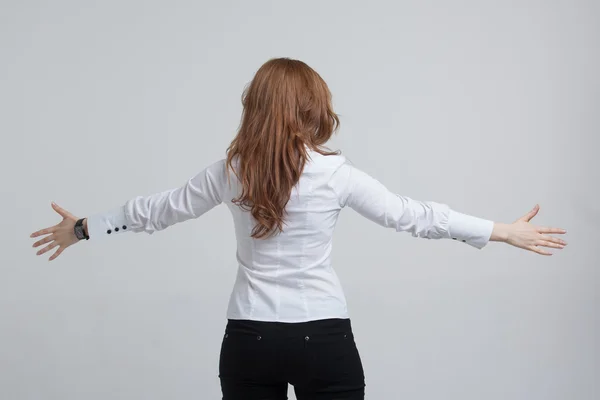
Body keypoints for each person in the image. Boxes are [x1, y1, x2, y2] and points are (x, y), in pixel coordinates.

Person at [30, 57, 567, 400]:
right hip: (324, 339)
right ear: (309, 108)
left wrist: (83, 228)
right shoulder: (334, 173)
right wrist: (500, 230)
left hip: (249, 339)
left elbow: (156, 211)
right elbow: (414, 216)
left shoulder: (229, 172)